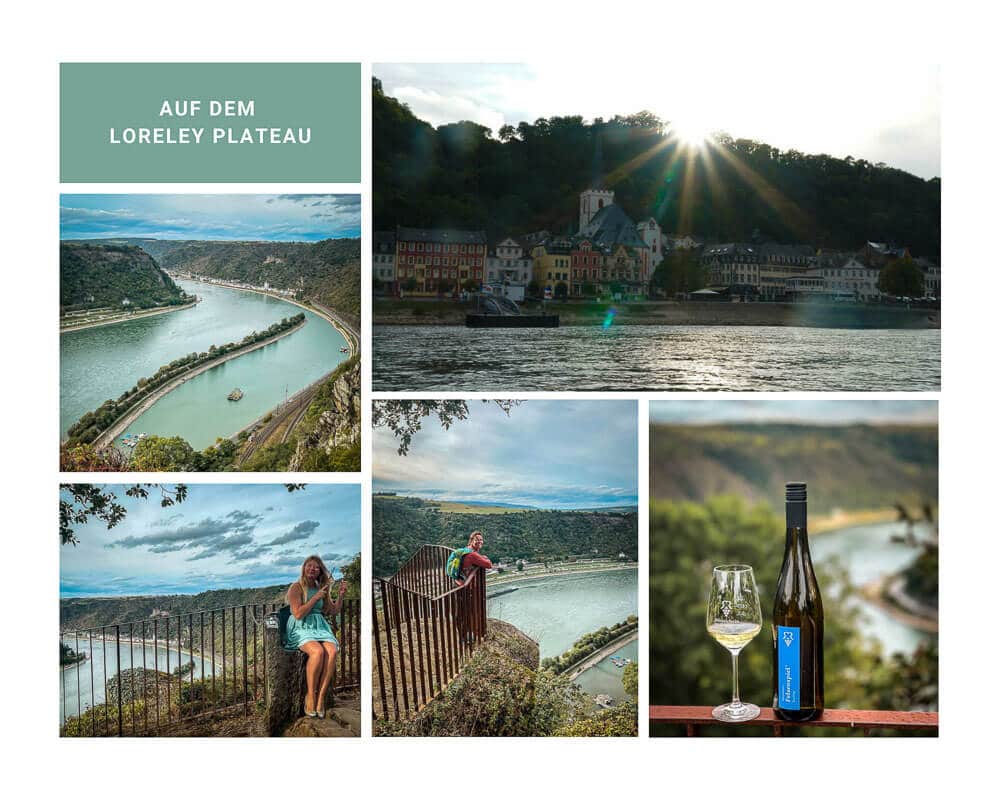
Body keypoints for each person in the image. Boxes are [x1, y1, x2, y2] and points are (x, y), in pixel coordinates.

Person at [286, 555, 345, 718]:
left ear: (320, 571)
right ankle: (310, 696)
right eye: (309, 566)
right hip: (302, 626)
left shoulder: (322, 588)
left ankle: (321, 698)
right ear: (304, 568)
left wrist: (340, 595)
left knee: (332, 652)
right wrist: (315, 598)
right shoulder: (296, 587)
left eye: (316, 567)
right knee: (317, 652)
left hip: (320, 627)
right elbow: (298, 614)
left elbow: (332, 610)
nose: (312, 569)